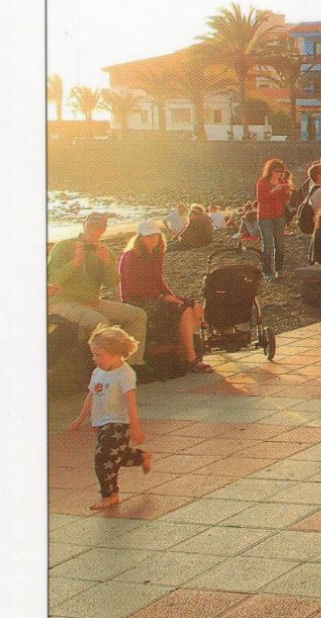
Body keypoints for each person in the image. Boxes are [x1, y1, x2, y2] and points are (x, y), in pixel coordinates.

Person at [48, 213, 149, 369]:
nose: (94, 230)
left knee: (137, 315)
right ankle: (106, 368)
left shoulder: (104, 251)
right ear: (84, 225)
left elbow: (112, 283)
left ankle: (130, 366)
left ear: (104, 230)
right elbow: (53, 278)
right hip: (63, 302)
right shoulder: (64, 246)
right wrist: (75, 262)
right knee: (100, 322)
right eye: (91, 226)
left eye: (99, 227)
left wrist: (107, 264)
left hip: (92, 302)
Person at [68, 325, 150, 511]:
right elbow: (91, 396)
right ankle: (142, 456)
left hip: (118, 425)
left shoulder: (126, 374)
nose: (94, 359)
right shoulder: (97, 373)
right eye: (93, 354)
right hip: (101, 424)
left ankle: (110, 495)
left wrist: (135, 428)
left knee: (103, 459)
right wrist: (81, 418)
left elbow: (131, 403)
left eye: (99, 355)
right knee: (117, 456)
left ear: (115, 353)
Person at [117, 220, 209, 373]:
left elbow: (158, 281)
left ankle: (184, 350)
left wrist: (173, 297)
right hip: (136, 299)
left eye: (155, 236)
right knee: (184, 310)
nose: (152, 239)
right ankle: (192, 359)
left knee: (196, 307)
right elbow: (134, 287)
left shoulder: (156, 253)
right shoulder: (130, 256)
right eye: (148, 237)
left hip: (155, 296)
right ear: (140, 238)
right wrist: (163, 298)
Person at [255, 159, 293, 281]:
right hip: (265, 216)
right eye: (277, 171)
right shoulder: (262, 182)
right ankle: (267, 271)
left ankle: (279, 270)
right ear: (270, 171)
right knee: (268, 245)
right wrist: (274, 190)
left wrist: (287, 192)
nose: (279, 174)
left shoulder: (281, 181)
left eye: (281, 171)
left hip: (279, 215)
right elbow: (261, 199)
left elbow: (284, 200)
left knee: (280, 244)